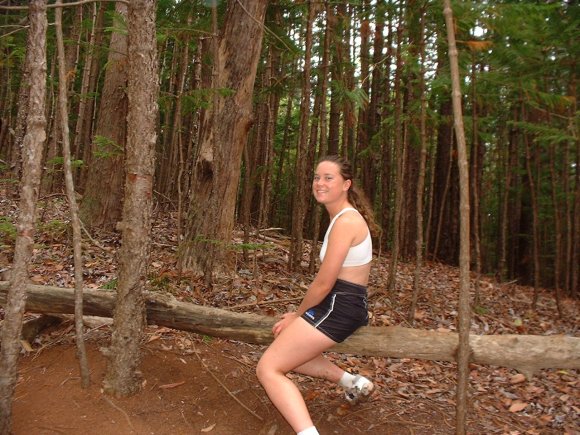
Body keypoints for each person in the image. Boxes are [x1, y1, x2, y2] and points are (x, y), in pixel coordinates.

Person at [256, 155, 379, 435]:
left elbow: (324, 283)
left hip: (340, 303)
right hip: (341, 302)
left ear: (346, 184)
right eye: (316, 177)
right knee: (284, 343)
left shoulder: (346, 221)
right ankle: (353, 382)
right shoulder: (341, 218)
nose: (320, 183)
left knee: (268, 369)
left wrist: (297, 315)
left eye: (328, 178)